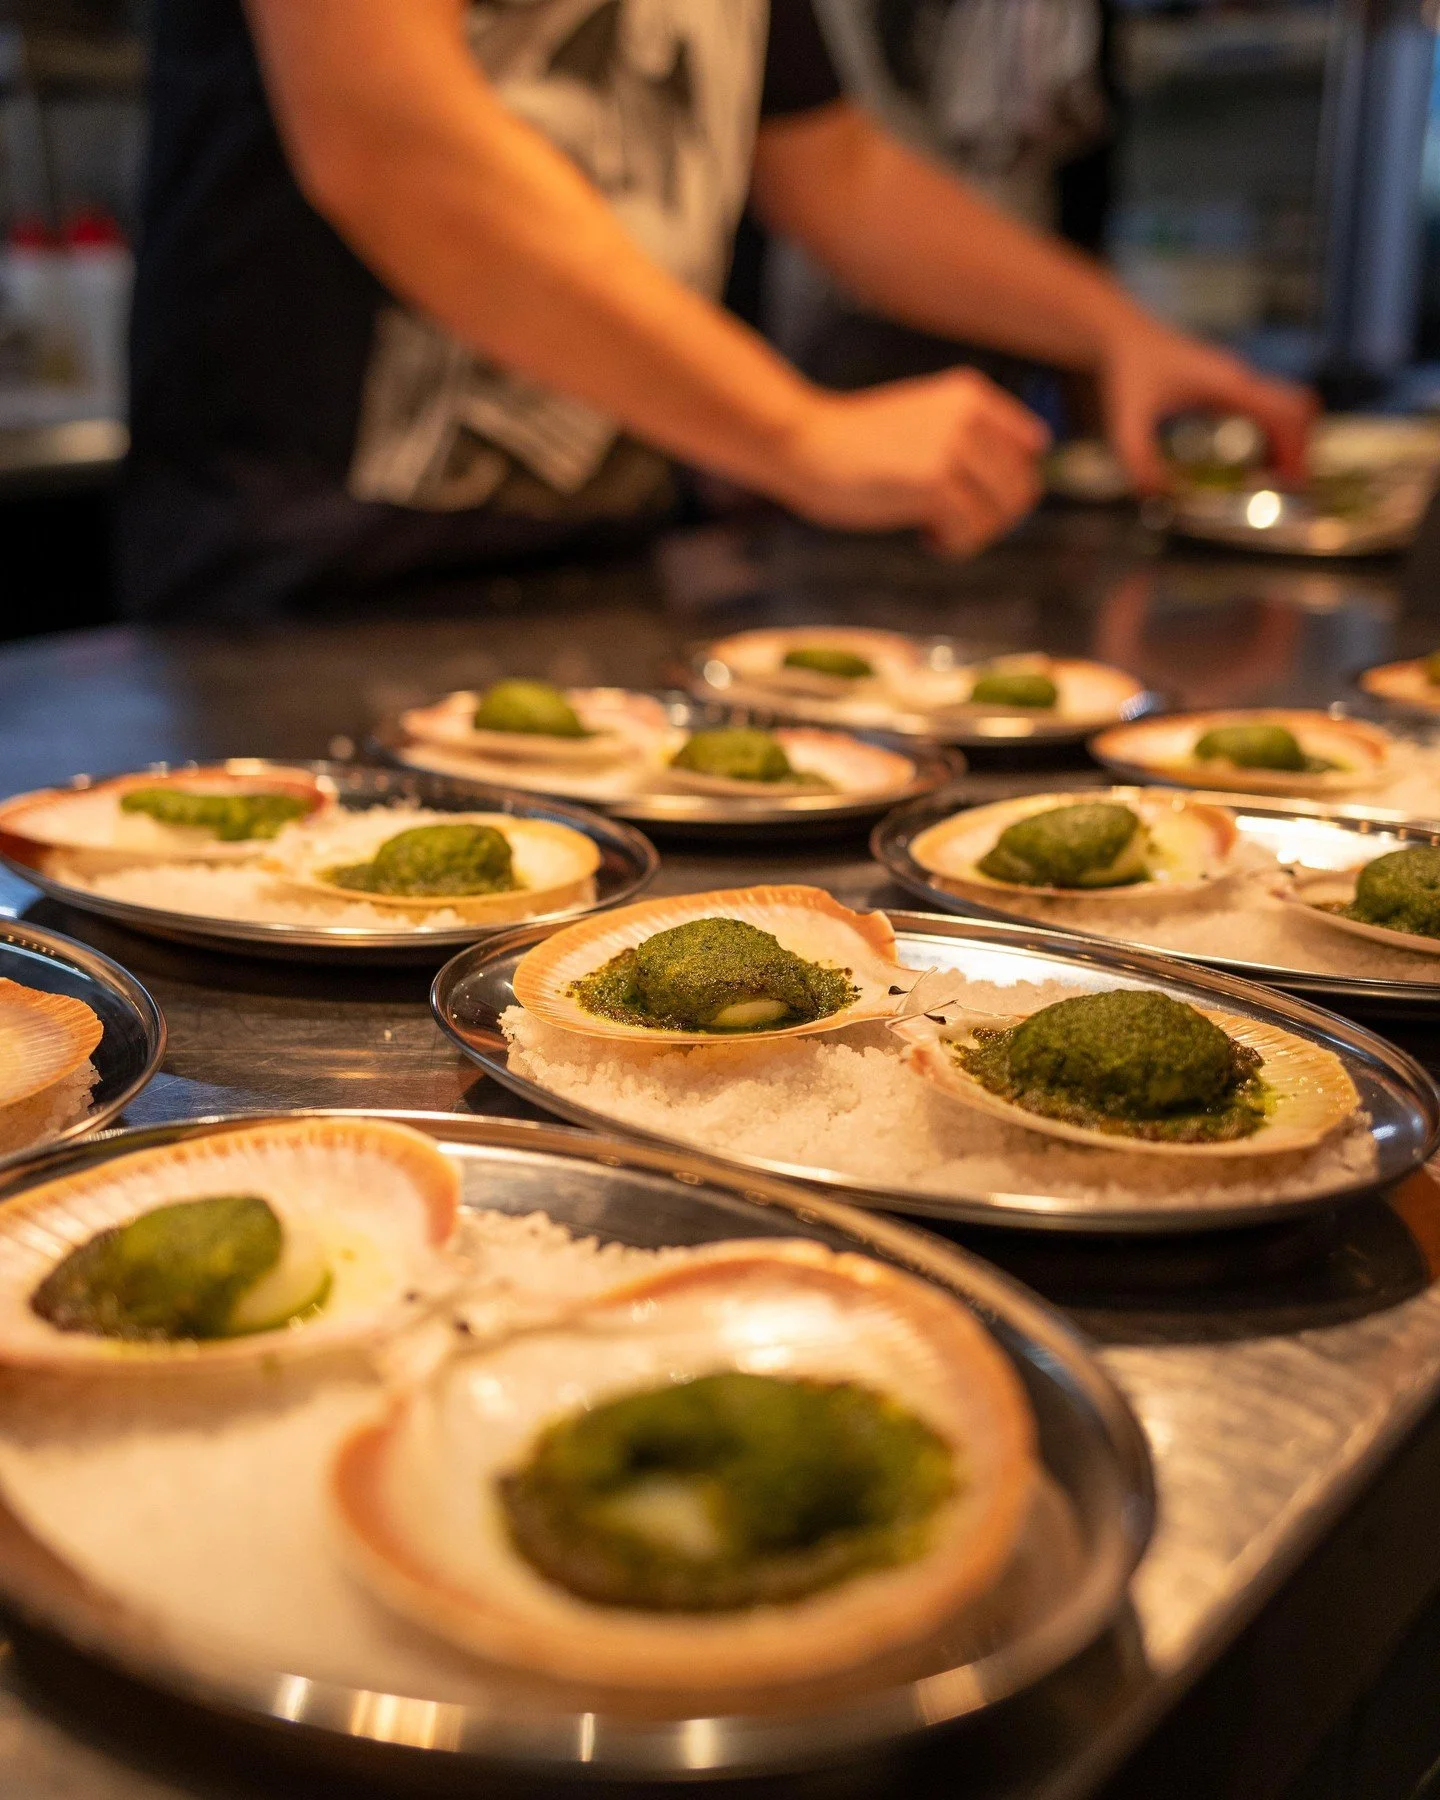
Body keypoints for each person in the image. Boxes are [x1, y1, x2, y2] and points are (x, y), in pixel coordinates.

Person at [121, 0, 1313, 618]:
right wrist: (799, 433)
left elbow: (837, 175)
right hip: (298, 584)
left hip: (606, 582)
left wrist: (1115, 330)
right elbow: (391, 141)